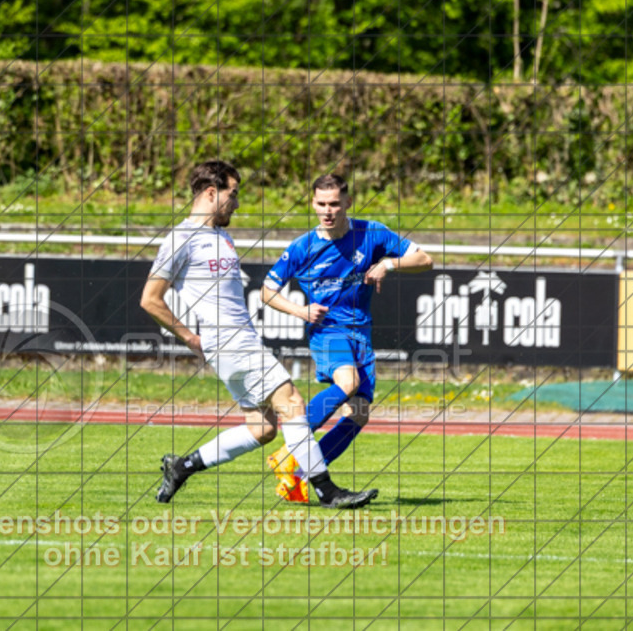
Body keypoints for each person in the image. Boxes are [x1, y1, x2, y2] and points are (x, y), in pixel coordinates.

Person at [140, 161, 378, 509]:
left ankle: (182, 466)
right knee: (293, 403)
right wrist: (191, 339)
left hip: (238, 342)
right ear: (211, 193)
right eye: (232, 194)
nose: (236, 203)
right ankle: (327, 491)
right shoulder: (181, 239)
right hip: (230, 342)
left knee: (262, 428)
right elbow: (150, 299)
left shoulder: (220, 234)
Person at [261, 174, 433, 502]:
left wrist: (389, 264)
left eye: (334, 204)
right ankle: (289, 449)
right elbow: (266, 292)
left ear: (347, 203)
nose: (327, 211)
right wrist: (301, 311)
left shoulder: (372, 233)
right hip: (327, 331)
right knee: (349, 381)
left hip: (361, 334)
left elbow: (425, 260)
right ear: (313, 204)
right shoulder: (302, 247)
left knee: (359, 413)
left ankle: (297, 472)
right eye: (321, 204)